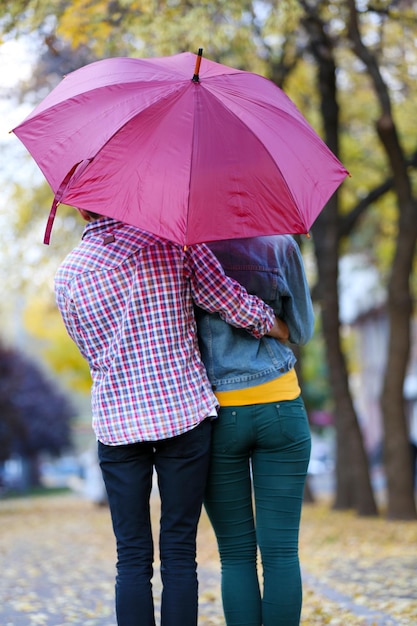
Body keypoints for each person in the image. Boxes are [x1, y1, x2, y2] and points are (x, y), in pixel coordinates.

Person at [54, 210, 285, 626]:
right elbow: (226, 299)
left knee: (131, 557)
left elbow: (91, 353)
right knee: (179, 550)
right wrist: (275, 325)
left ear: (80, 205)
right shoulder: (173, 240)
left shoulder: (68, 276)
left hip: (117, 423)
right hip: (182, 413)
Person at [196, 234, 315, 626]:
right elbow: (301, 330)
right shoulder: (280, 245)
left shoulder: (185, 247)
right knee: (281, 551)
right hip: (280, 401)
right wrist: (272, 323)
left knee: (235, 555)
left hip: (217, 413)